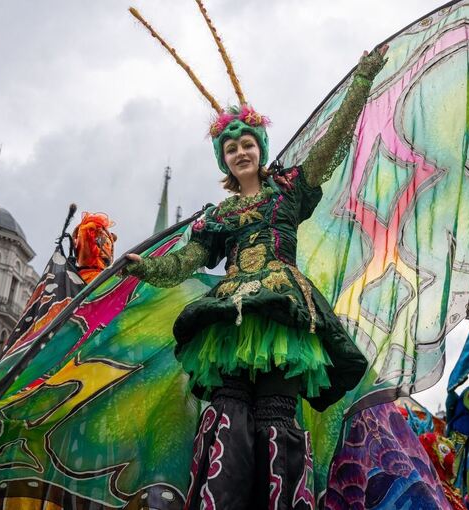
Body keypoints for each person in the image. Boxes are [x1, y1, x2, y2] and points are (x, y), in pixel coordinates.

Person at [125, 5, 386, 508]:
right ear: (223, 160)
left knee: (275, 412)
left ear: (260, 149)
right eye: (231, 149)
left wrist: (362, 80)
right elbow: (188, 259)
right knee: (227, 410)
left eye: (248, 144)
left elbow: (332, 142)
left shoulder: (289, 192)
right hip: (228, 319)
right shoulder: (219, 214)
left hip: (283, 314)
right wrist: (148, 268)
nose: (241, 153)